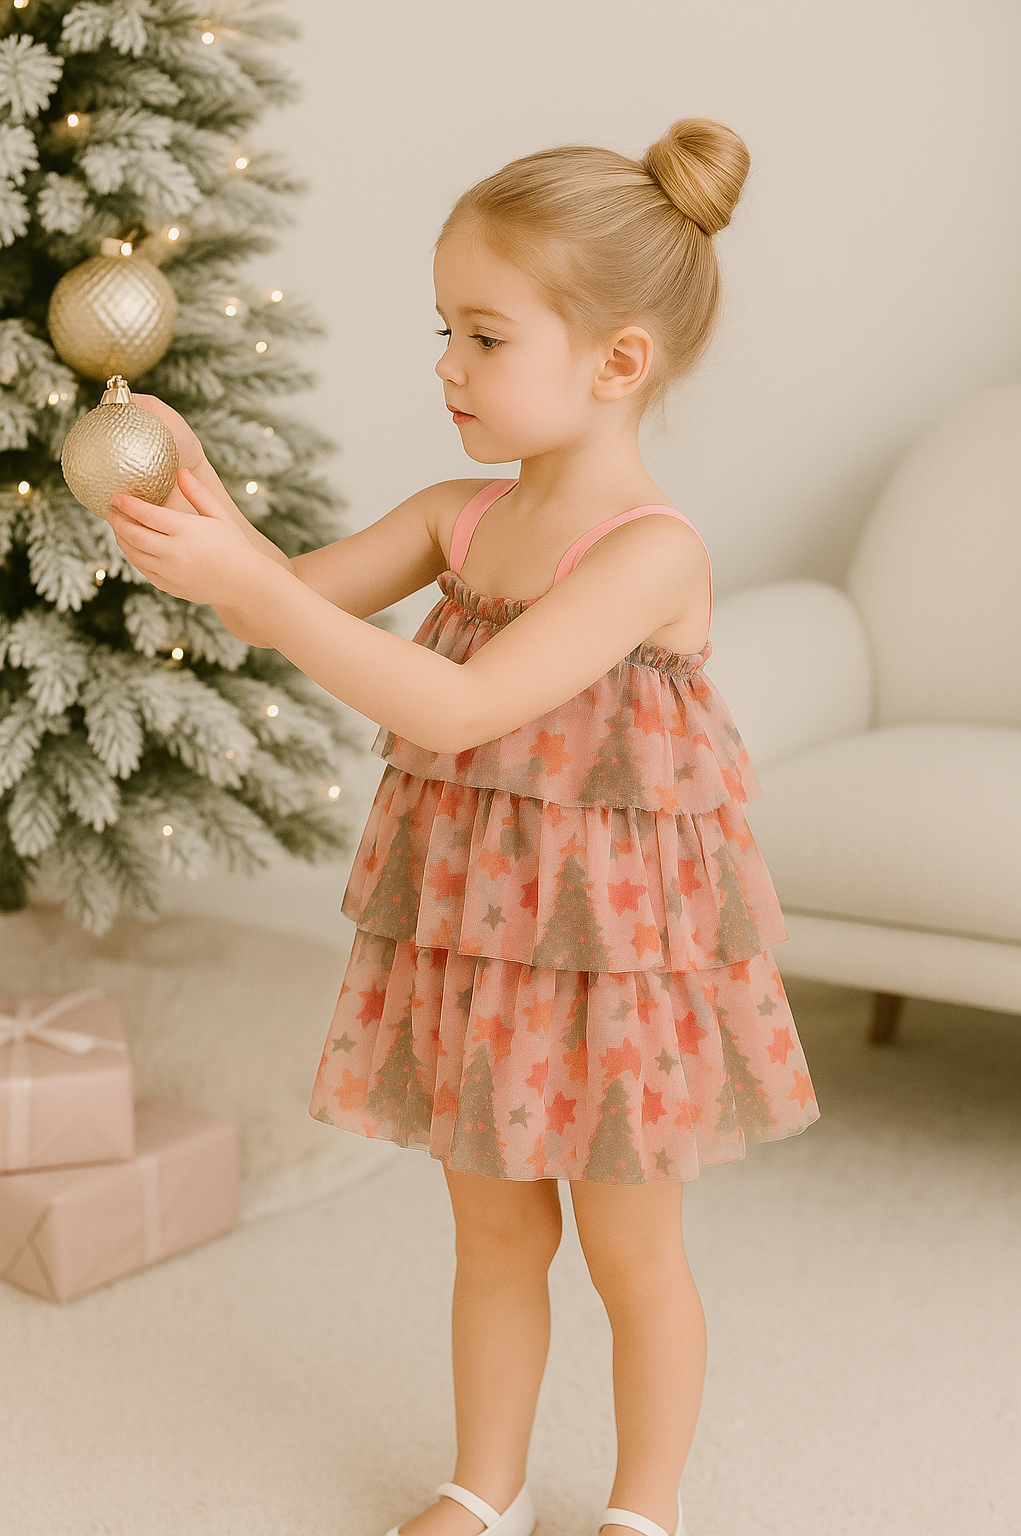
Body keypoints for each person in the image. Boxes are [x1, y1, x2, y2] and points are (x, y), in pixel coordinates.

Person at [105, 116, 819, 1536]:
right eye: (446, 330)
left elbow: (458, 703)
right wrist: (200, 508)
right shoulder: (458, 516)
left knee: (630, 1248)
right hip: (487, 943)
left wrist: (260, 591)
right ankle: (483, 1487)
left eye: (485, 337)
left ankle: (643, 1510)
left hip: (615, 962)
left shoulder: (649, 554)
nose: (446, 366)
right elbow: (275, 602)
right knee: (492, 1230)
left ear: (618, 361)